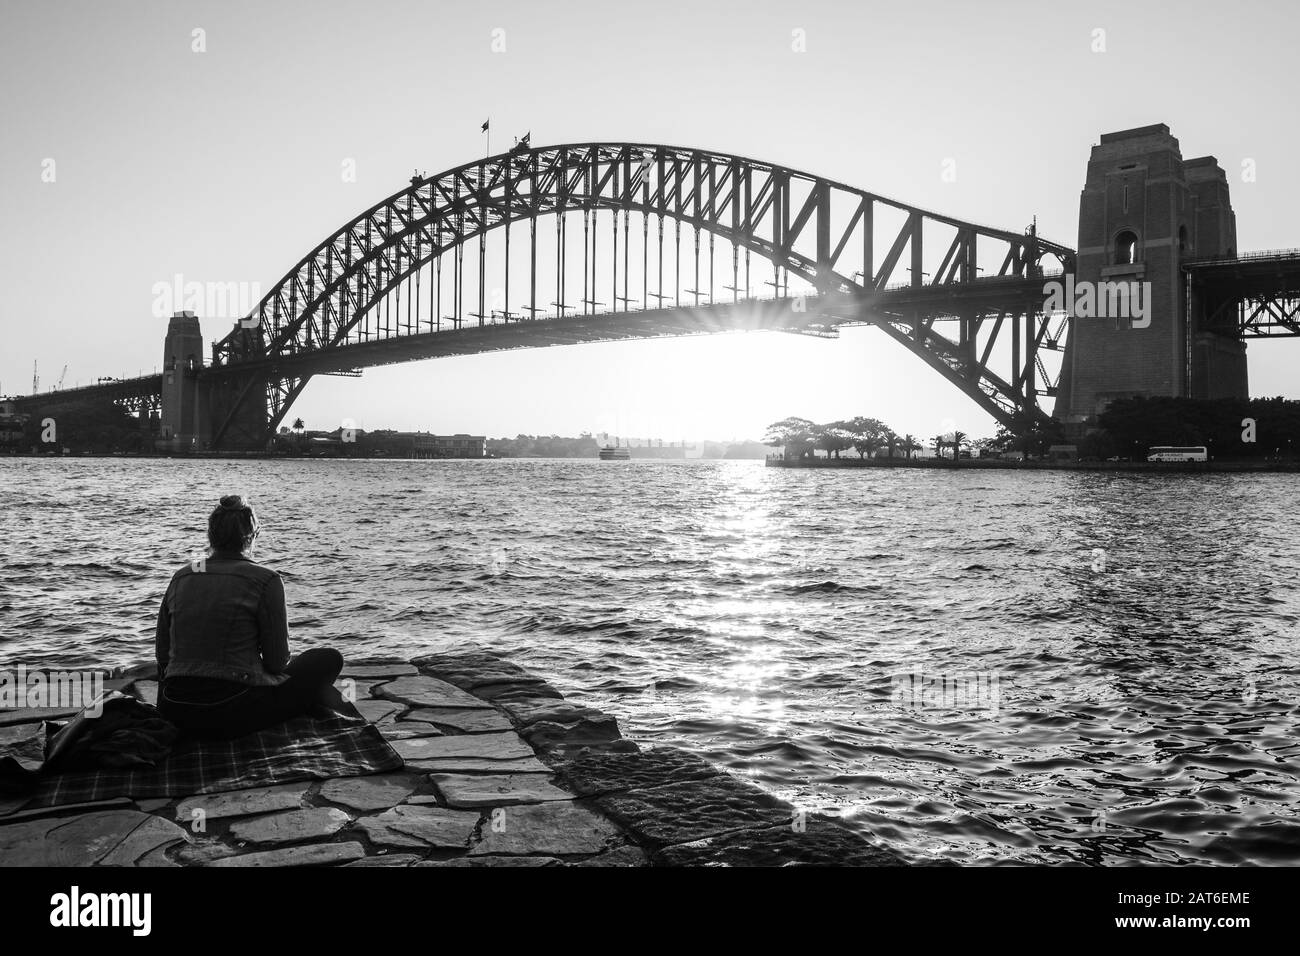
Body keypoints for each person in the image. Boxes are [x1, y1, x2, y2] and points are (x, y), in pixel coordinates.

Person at [154, 495, 347, 739]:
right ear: (253, 535)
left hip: (176, 710)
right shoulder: (265, 579)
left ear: (210, 535)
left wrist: (165, 709)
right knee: (328, 659)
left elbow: (162, 654)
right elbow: (277, 662)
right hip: (231, 710)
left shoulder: (182, 576)